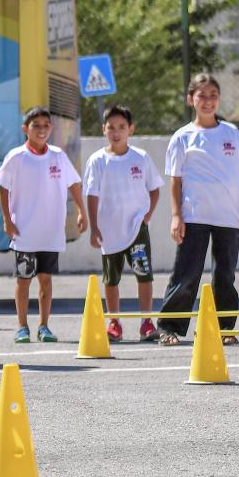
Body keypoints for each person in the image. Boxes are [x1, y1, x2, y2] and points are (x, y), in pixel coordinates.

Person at [157, 74, 239, 346]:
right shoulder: (182, 137)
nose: (207, 100)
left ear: (219, 99)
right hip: (194, 216)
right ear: (190, 99)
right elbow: (175, 180)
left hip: (228, 216)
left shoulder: (231, 133)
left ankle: (223, 327)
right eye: (201, 95)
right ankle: (170, 327)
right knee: (187, 273)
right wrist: (176, 215)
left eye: (213, 94)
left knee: (225, 274)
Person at [0, 106, 87, 343]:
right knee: (23, 280)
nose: (42, 130)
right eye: (36, 125)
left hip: (51, 233)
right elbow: (3, 188)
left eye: (46, 125)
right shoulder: (16, 157)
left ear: (51, 128)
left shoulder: (58, 155)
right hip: (24, 232)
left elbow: (74, 184)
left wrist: (80, 210)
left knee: (46, 279)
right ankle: (22, 327)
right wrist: (7, 220)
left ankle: (44, 326)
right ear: (26, 129)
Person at [84, 104, 163, 343]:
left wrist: (146, 217)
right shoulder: (97, 160)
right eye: (111, 128)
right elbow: (91, 193)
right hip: (109, 230)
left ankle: (146, 322)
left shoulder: (141, 157)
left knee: (144, 275)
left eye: (121, 127)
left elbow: (154, 189)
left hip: (137, 228)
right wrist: (94, 227)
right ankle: (114, 322)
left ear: (130, 129)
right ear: (104, 130)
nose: (116, 132)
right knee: (111, 279)